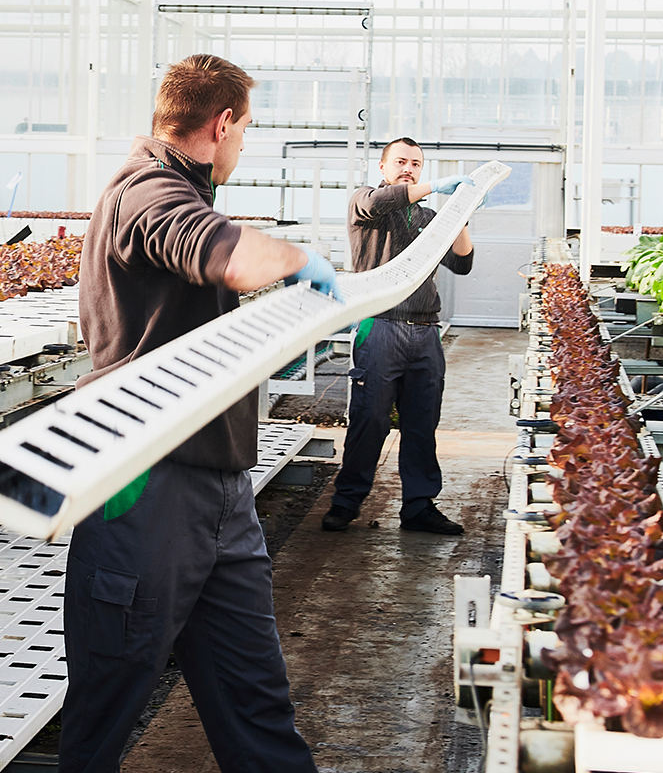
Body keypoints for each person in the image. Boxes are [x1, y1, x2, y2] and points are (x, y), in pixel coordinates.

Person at [63, 53, 336, 773]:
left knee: (255, 704)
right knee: (106, 706)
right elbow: (233, 260)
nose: (244, 144)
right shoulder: (145, 191)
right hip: (145, 491)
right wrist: (301, 259)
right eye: (245, 129)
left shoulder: (179, 190)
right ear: (221, 124)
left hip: (219, 491)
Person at [319, 136, 475, 535]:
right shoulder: (365, 203)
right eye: (401, 162)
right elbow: (379, 203)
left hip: (425, 329)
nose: (409, 168)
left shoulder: (427, 218)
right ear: (383, 168)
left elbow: (462, 263)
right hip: (380, 325)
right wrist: (436, 189)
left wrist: (461, 213)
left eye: (417, 164)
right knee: (369, 418)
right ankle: (346, 501)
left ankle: (419, 507)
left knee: (422, 422)